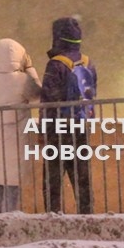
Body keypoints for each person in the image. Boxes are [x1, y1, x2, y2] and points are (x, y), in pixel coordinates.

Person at [40, 16, 97, 214]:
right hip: (80, 127)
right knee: (82, 177)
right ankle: (87, 217)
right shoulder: (88, 62)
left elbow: (48, 99)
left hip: (58, 130)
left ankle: (53, 217)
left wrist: (43, 129)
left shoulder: (56, 64)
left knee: (53, 179)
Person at [0, 37, 42, 212]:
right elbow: (38, 95)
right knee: (11, 188)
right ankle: (9, 221)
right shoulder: (23, 80)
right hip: (15, 141)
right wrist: (30, 68)